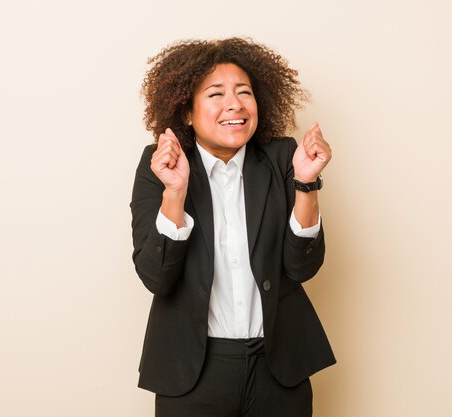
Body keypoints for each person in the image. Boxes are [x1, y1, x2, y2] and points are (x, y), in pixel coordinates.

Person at [130, 37, 336, 417]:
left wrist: (306, 184)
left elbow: (302, 267)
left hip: (278, 367)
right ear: (187, 112)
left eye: (244, 92)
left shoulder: (281, 158)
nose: (235, 104)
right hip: (193, 371)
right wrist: (175, 192)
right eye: (216, 94)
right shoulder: (159, 165)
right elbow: (156, 277)